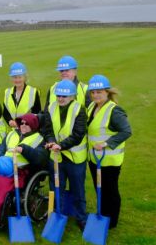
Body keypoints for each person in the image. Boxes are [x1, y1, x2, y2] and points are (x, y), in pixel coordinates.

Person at [0, 113, 48, 231]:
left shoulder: (39, 139)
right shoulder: (12, 134)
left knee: (1, 185)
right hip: (4, 168)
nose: (23, 125)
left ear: (33, 125)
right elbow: (0, 148)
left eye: (26, 123)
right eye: (21, 123)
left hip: (21, 171)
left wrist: (24, 149)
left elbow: (40, 159)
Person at [87, 75, 131, 229]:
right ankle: (102, 214)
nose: (95, 95)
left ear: (107, 92)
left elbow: (126, 131)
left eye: (99, 92)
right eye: (93, 92)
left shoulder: (114, 110)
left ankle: (111, 222)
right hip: (95, 159)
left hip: (110, 160)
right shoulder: (93, 107)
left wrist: (106, 143)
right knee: (100, 189)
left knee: (110, 191)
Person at [44, 79, 88, 230]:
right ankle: (59, 215)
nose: (61, 99)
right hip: (56, 157)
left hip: (75, 158)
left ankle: (81, 218)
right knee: (57, 188)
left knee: (78, 190)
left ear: (72, 96)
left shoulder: (79, 109)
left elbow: (78, 134)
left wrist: (60, 145)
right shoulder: (51, 107)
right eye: (58, 96)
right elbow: (47, 129)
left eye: (64, 96)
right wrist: (50, 141)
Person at [3, 62, 41, 130]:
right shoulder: (7, 92)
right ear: (11, 78)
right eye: (15, 77)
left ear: (25, 77)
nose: (17, 80)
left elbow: (37, 114)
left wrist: (20, 123)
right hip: (13, 131)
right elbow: (6, 112)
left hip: (28, 129)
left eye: (20, 77)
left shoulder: (33, 92)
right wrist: (9, 121)